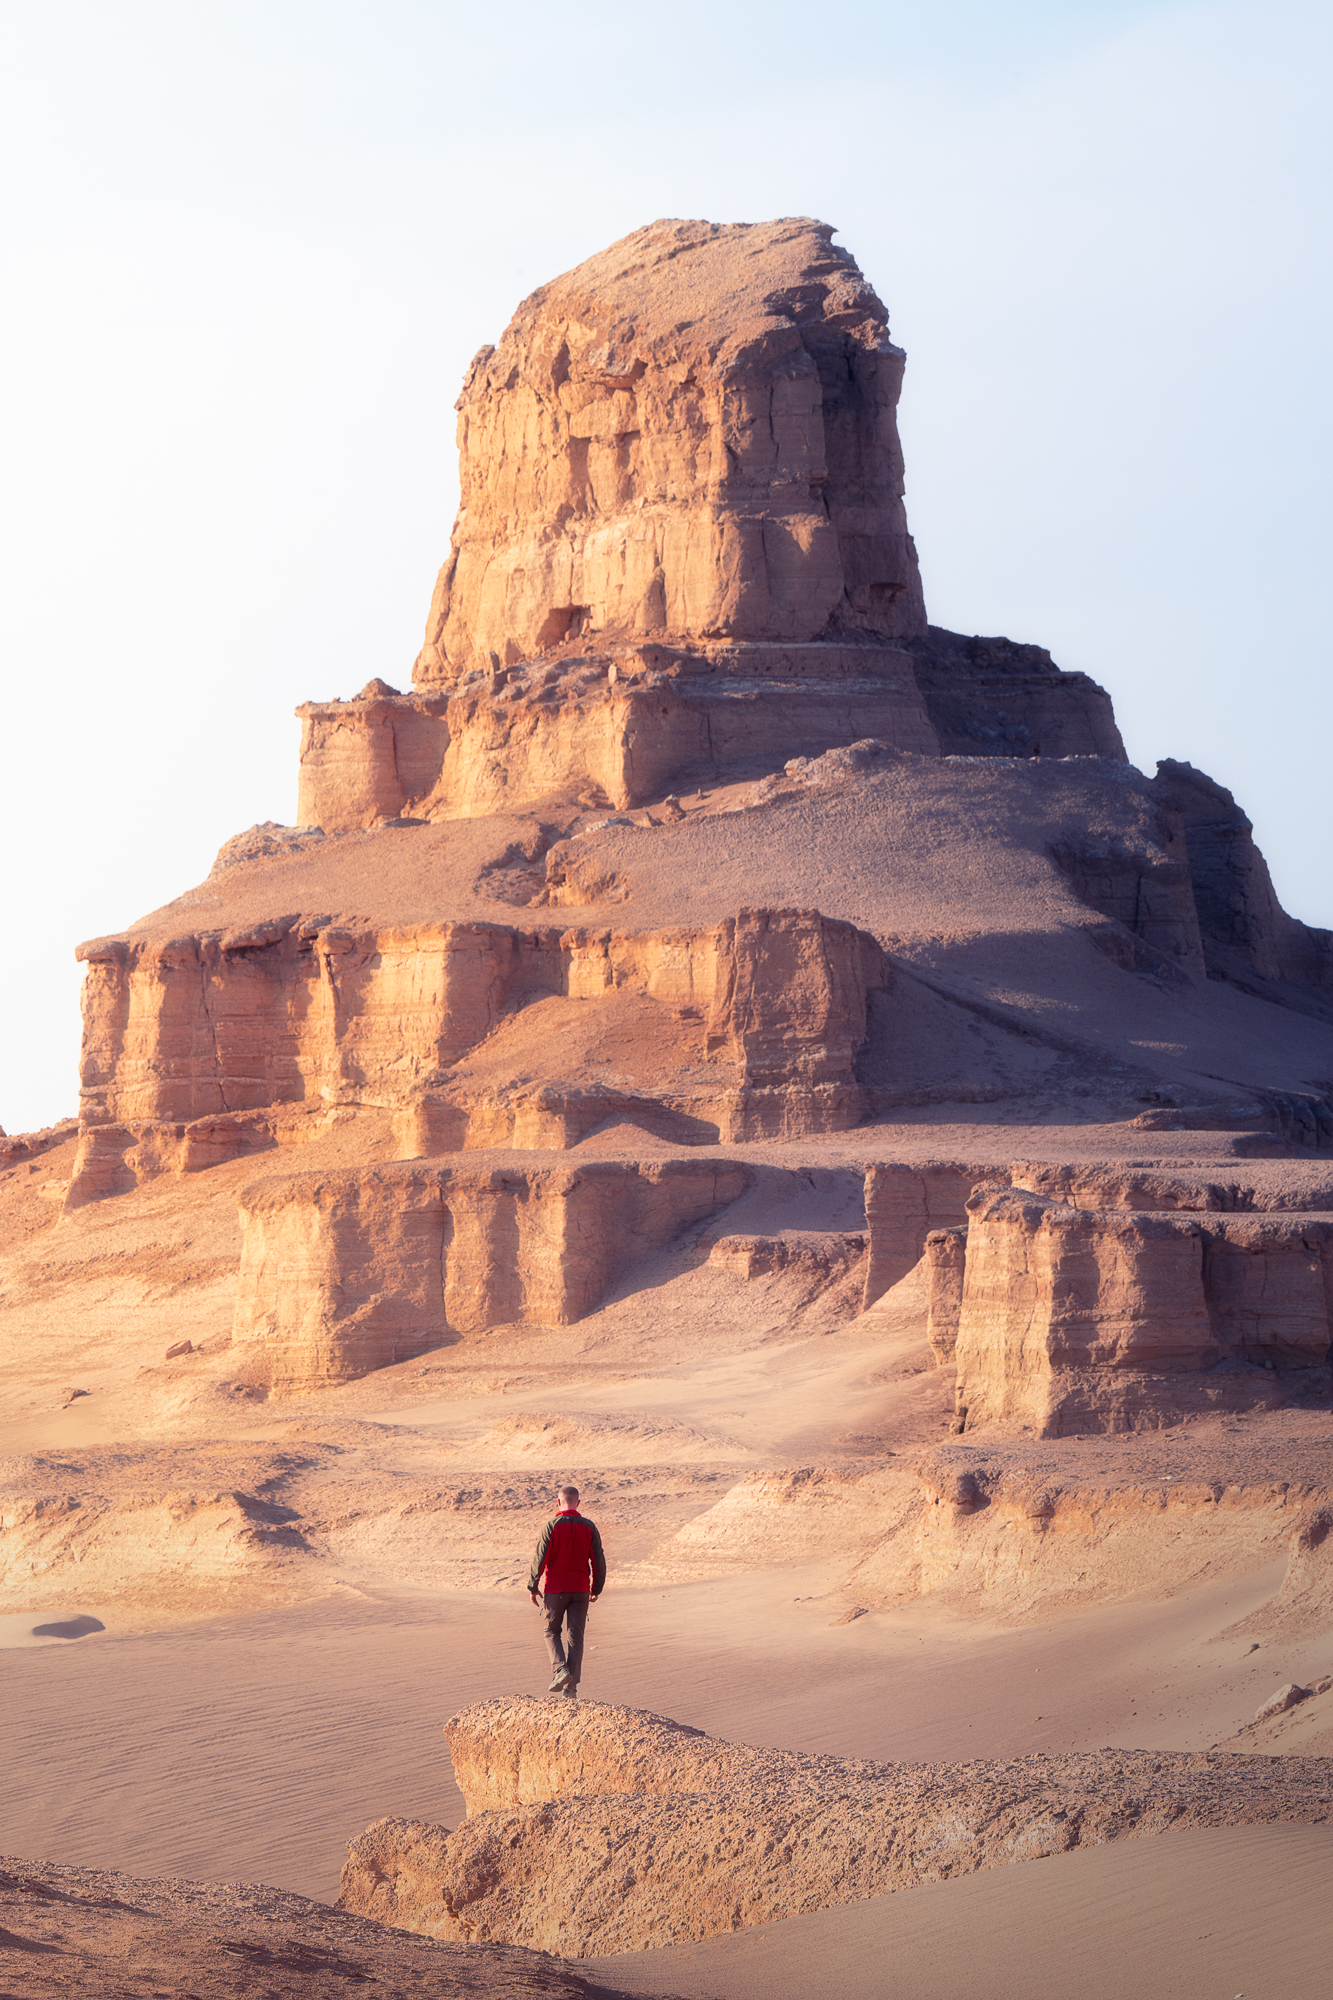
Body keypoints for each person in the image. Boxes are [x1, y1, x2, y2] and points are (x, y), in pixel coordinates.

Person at [527, 1484, 606, 1697]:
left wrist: (533, 1586)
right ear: (577, 1503)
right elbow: (598, 1559)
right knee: (575, 1637)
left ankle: (560, 1669)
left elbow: (540, 1557)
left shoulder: (552, 1526)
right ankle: (571, 1688)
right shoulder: (589, 1526)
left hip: (555, 1589)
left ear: (558, 1502)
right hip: (580, 1590)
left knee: (551, 1631)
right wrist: (596, 1588)